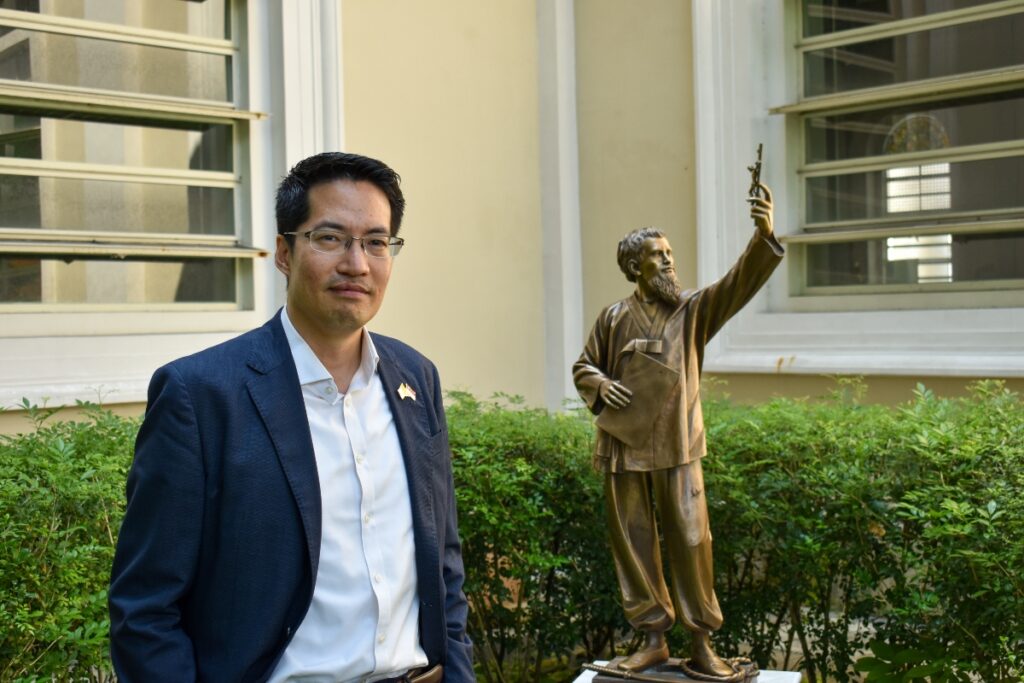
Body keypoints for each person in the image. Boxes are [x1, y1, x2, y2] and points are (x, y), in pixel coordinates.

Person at [109, 152, 474, 683]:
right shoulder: (201, 396)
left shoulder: (416, 380)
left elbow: (444, 566)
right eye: (330, 238)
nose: (357, 263)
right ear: (284, 252)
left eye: (376, 241)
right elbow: (145, 608)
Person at [572, 184, 782, 677]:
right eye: (656, 256)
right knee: (633, 541)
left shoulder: (692, 310)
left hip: (679, 445)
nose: (668, 262)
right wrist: (601, 384)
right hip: (624, 447)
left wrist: (764, 234)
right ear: (633, 267)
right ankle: (652, 639)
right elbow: (584, 365)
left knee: (692, 540)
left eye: (669, 253)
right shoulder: (613, 317)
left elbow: (736, 285)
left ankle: (703, 642)